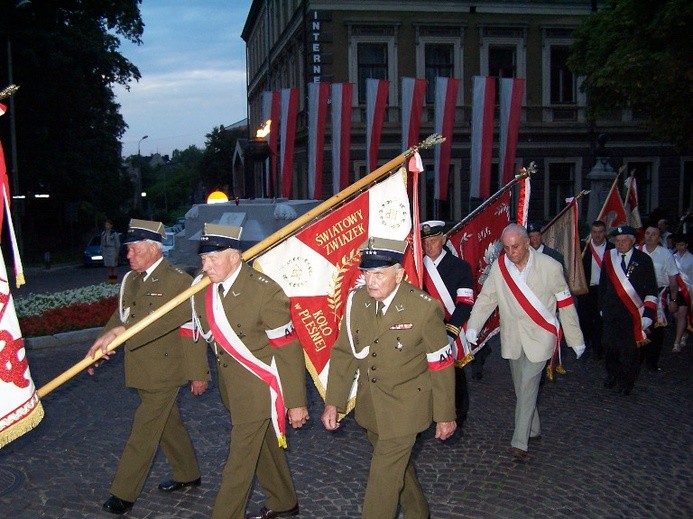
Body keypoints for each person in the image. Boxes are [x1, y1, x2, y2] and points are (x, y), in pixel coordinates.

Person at [321, 237, 456, 519]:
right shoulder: (357, 301)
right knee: (398, 467)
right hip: (372, 406)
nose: (371, 281)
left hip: (407, 406)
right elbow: (345, 352)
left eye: (379, 274)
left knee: (383, 477)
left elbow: (441, 364)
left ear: (399, 275)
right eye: (367, 273)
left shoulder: (423, 308)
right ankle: (419, 513)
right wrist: (334, 402)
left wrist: (445, 414)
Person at [86, 219, 210, 515]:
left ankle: (123, 492)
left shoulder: (178, 281)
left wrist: (198, 373)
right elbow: (122, 316)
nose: (127, 255)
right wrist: (102, 341)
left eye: (133, 250)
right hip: (140, 366)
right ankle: (187, 472)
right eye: (128, 250)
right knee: (168, 423)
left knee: (144, 429)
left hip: (165, 370)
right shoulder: (131, 280)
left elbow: (190, 329)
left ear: (153, 249)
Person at [186, 223, 308, 519]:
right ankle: (283, 500)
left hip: (260, 386)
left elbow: (288, 349)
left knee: (238, 463)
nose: (206, 266)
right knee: (265, 445)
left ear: (235, 256)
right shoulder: (202, 286)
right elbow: (185, 324)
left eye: (214, 258)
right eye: (203, 259)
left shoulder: (264, 292)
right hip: (232, 387)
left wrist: (296, 402)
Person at [465, 224, 585, 461]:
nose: (511, 252)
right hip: (513, 338)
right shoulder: (500, 268)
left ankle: (519, 442)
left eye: (516, 246)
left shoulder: (550, 267)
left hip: (541, 336)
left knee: (529, 384)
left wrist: (575, 339)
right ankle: (534, 427)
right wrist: (474, 326)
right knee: (522, 387)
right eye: (507, 248)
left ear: (527, 242)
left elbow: (566, 304)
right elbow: (487, 298)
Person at [420, 220, 474, 427]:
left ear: (444, 239)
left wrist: (450, 331)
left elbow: (465, 303)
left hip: (451, 329)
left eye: (433, 241)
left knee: (454, 376)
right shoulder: (417, 266)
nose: (429, 246)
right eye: (425, 242)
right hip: (425, 330)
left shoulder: (460, 267)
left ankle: (458, 414)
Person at [599, 225, 657, 395]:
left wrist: (648, 314)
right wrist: (601, 307)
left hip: (632, 313)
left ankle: (627, 381)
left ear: (632, 241)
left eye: (624, 241)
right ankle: (612, 374)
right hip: (611, 312)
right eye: (617, 241)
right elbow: (603, 285)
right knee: (609, 347)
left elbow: (651, 290)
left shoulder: (644, 260)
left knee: (629, 350)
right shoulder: (609, 258)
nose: (620, 244)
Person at [639, 226, 679, 371]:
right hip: (639, 294)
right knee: (640, 325)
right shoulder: (637, 251)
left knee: (656, 329)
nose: (650, 236)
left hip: (658, 294)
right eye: (648, 233)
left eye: (654, 234)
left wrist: (674, 300)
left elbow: (673, 279)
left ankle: (652, 361)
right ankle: (638, 357)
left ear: (659, 238)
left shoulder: (666, 254)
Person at [578, 220, 614, 360]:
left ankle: (598, 348)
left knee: (600, 320)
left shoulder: (612, 249)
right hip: (586, 290)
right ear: (591, 233)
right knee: (585, 319)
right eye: (594, 232)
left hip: (604, 290)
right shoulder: (583, 248)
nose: (597, 235)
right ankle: (586, 343)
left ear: (604, 232)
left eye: (600, 232)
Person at [672, 233, 693, 352]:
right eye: (678, 245)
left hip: (687, 290)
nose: (680, 247)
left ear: (686, 245)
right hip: (675, 290)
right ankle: (684, 332)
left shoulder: (691, 259)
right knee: (676, 315)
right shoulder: (672, 257)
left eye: (682, 245)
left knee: (682, 314)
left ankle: (677, 342)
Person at [101, 219, 121, 284]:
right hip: (106, 250)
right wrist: (103, 253)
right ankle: (110, 281)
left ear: (111, 225)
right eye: (106, 225)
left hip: (112, 250)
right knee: (109, 266)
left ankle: (114, 281)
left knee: (113, 267)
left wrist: (117, 254)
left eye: (108, 225)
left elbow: (117, 244)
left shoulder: (114, 234)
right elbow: (102, 243)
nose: (107, 226)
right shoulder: (103, 233)